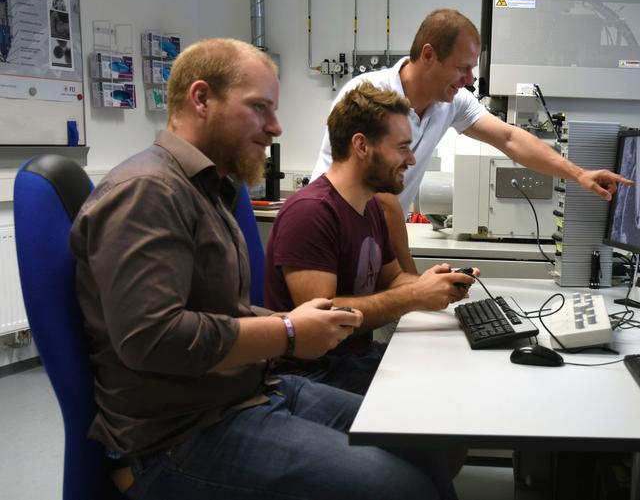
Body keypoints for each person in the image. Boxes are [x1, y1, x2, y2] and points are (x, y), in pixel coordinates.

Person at [70, 38, 456, 500]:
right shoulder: (148, 191)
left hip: (249, 392)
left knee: (425, 446)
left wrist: (284, 324)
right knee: (398, 487)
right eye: (260, 108)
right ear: (201, 99)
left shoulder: (208, 190)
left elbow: (218, 312)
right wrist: (289, 332)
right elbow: (152, 338)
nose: (275, 126)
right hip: (178, 436)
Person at [311, 8, 632, 273]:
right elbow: (380, 200)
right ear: (428, 55)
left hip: (376, 244)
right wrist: (413, 281)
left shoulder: (450, 102)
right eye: (462, 68)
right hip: (333, 237)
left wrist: (578, 174)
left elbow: (509, 138)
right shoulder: (368, 97)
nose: (470, 79)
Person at [265, 81, 477, 395]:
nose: (412, 160)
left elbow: (392, 279)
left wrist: (432, 284)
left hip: (353, 361)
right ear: (362, 146)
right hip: (311, 377)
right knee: (436, 406)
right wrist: (413, 297)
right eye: (403, 147)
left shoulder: (371, 205)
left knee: (453, 382)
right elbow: (324, 317)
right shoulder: (311, 212)